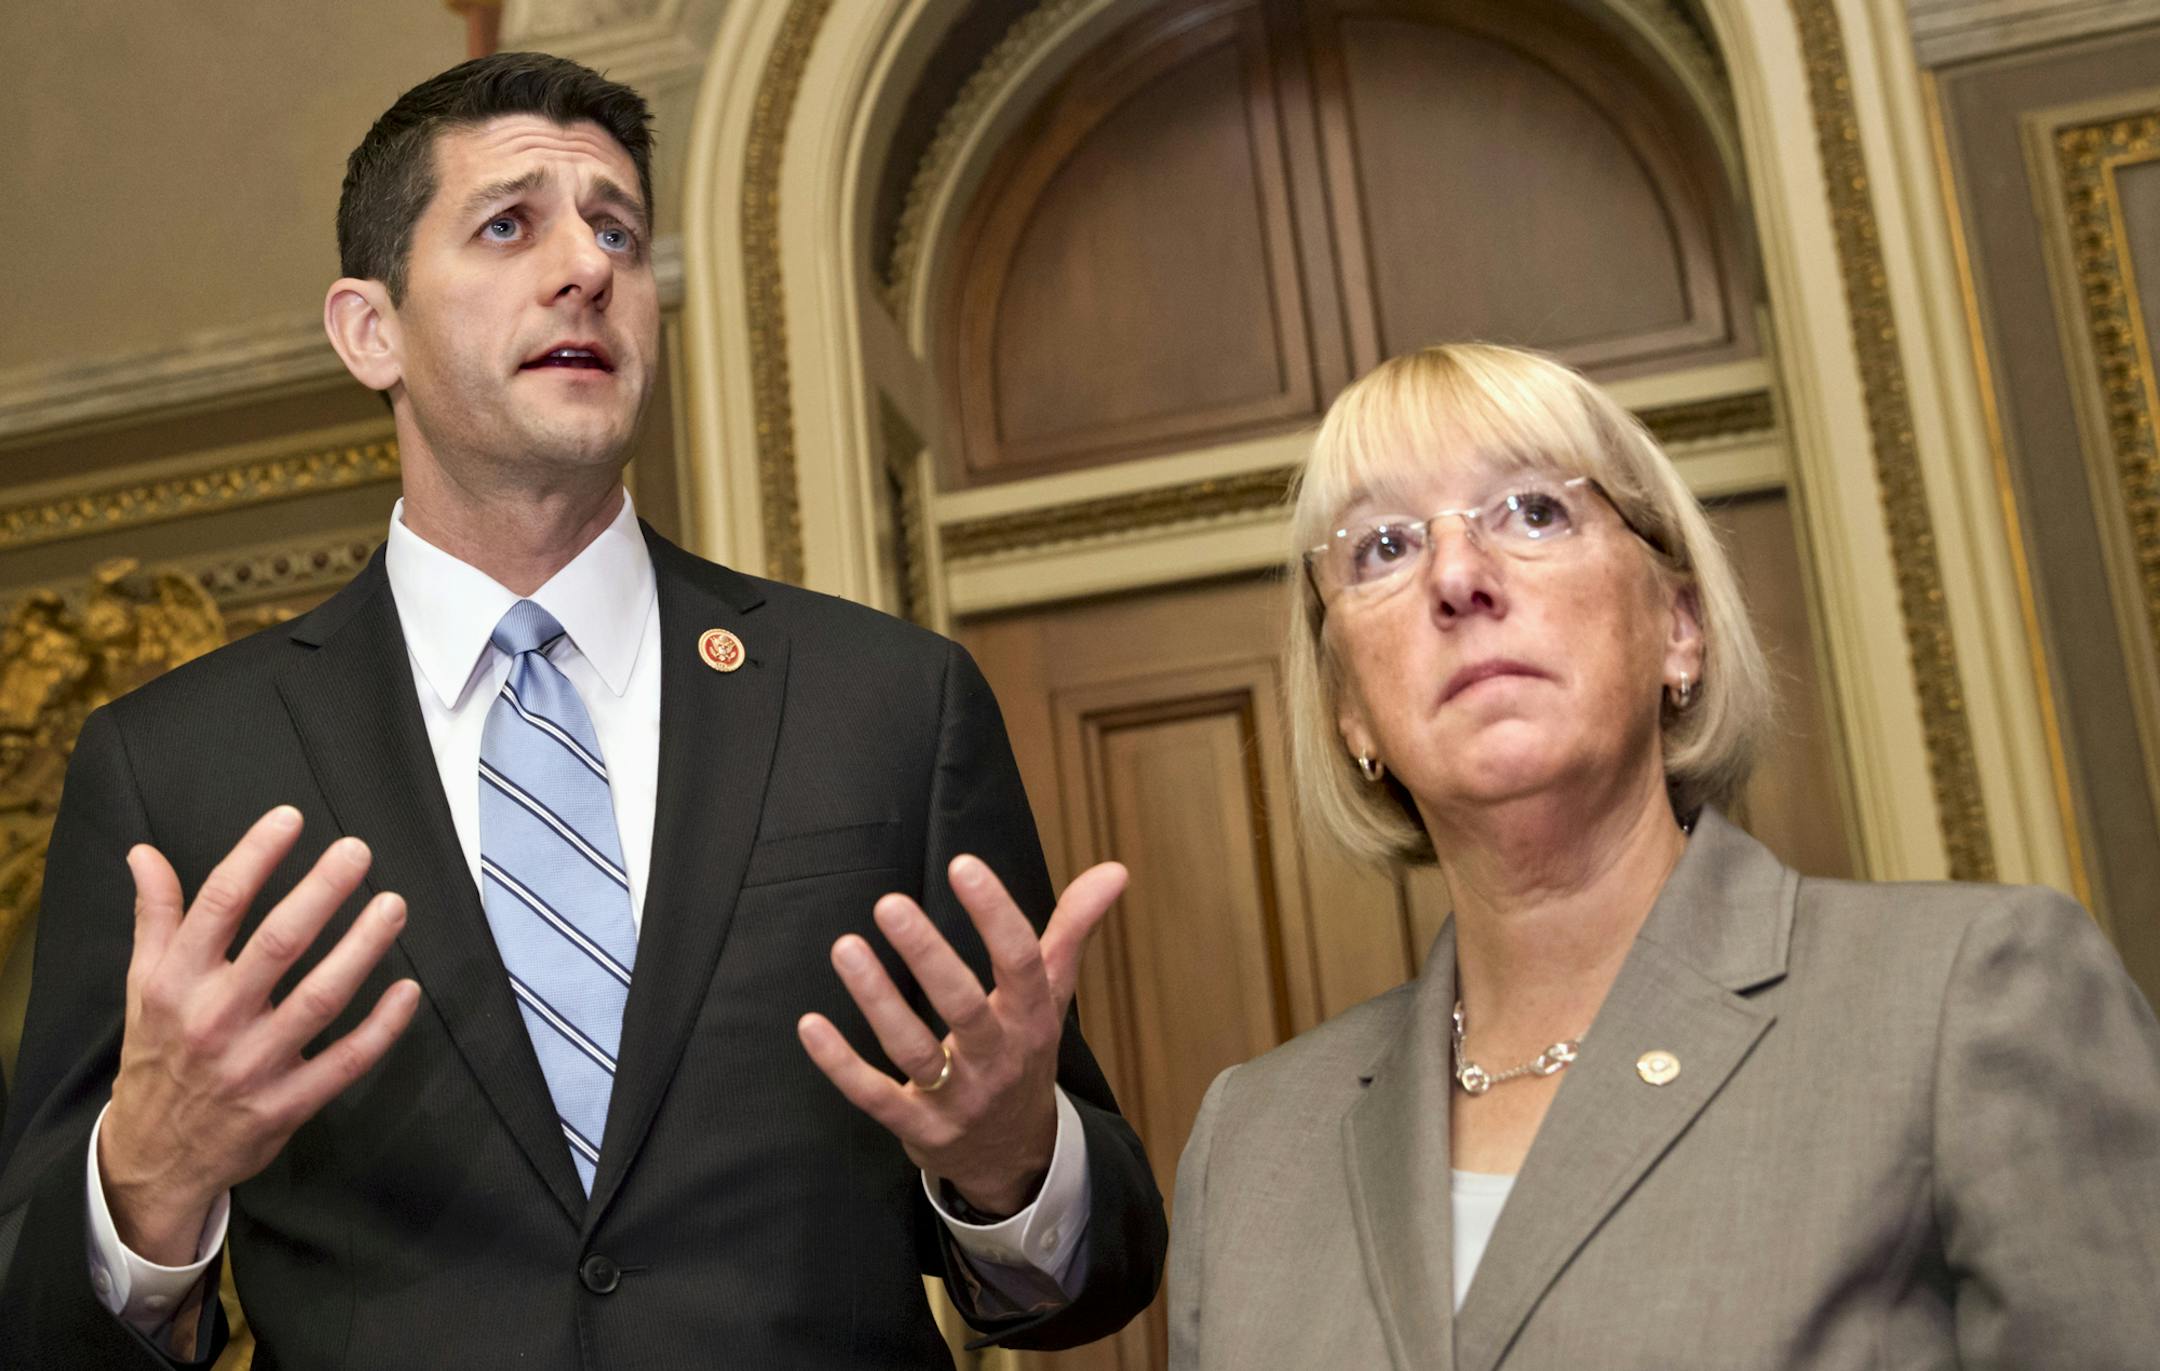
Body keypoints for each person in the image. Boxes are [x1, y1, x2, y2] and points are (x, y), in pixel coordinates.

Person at [0, 53, 1164, 1368]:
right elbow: (32, 1318)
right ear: (365, 328)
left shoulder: (887, 702)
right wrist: (145, 1186)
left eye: (616, 227)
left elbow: (1103, 1264)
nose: (587, 268)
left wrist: (1017, 1166)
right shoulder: (176, 766)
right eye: (510, 225)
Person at [1166, 344, 2160, 1369]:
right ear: (1349, 711)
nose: (1457, 577)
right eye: (1382, 546)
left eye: (1535, 511)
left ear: (1678, 628)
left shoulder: (1969, 997)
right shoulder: (1251, 1150)